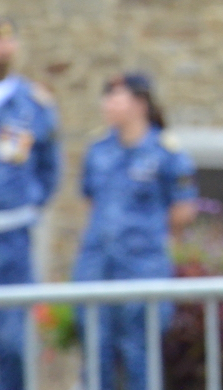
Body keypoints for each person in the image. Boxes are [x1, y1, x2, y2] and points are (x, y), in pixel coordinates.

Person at [72, 72, 197, 390]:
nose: (108, 104)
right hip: (98, 265)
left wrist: (145, 240)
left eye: (117, 97)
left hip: (142, 266)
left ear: (141, 103)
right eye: (106, 97)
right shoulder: (99, 149)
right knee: (95, 353)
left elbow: (183, 210)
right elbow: (91, 200)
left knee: (140, 355)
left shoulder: (165, 151)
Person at [0, 18, 60, 390]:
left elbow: (50, 167)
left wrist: (29, 207)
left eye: (5, 45)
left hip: (8, 238)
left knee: (12, 342)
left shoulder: (33, 104)